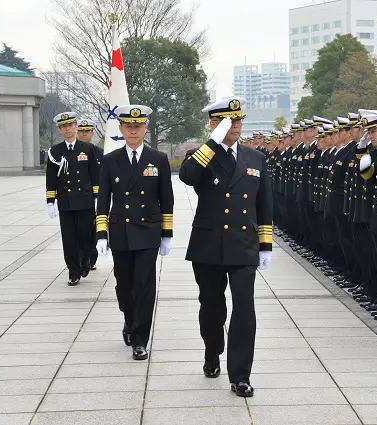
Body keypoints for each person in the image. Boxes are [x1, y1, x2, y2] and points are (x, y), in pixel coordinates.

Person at [179, 97, 273, 398]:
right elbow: (187, 176)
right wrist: (212, 142)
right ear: (214, 124)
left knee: (245, 308)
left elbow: (264, 204)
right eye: (228, 122)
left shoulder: (255, 158)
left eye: (238, 120)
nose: (236, 126)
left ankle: (241, 374)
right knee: (211, 306)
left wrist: (265, 244)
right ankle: (212, 351)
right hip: (209, 244)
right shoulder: (201, 155)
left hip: (244, 245)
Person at [95, 105, 174, 361]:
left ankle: (140, 339)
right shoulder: (110, 160)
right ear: (120, 129)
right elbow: (103, 200)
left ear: (145, 128)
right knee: (124, 286)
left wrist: (167, 234)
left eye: (138, 126)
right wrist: (101, 233)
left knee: (145, 285)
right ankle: (130, 320)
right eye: (128, 126)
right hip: (120, 230)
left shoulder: (158, 159)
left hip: (148, 230)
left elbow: (167, 199)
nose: (133, 131)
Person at [46, 112, 100, 286]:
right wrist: (50, 202)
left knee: (86, 236)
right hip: (66, 201)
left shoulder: (88, 149)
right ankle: (73, 272)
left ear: (76, 126)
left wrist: (98, 198)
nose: (67, 129)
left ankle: (85, 261)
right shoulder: (55, 151)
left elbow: (95, 176)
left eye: (70, 125)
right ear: (60, 130)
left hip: (85, 201)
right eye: (63, 126)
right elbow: (51, 178)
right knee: (69, 239)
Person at [76, 118, 102, 271]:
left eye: (87, 131)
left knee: (95, 229)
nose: (84, 134)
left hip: (97, 199)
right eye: (81, 131)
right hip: (81, 199)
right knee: (80, 231)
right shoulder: (71, 153)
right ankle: (80, 258)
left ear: (92, 133)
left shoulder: (100, 153)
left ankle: (91, 258)